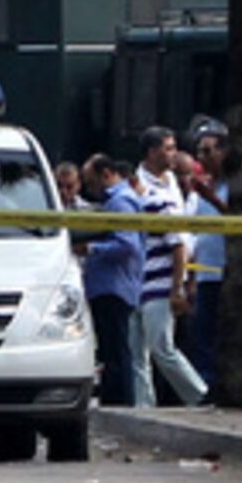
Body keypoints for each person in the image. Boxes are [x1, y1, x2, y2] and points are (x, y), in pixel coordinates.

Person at [130, 128, 208, 408]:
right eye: (168, 148)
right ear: (152, 152)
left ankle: (197, 394)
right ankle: (148, 404)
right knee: (146, 351)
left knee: (159, 348)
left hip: (160, 280)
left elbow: (181, 240)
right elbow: (176, 242)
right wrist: (178, 285)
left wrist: (182, 281)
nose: (173, 153)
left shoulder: (170, 183)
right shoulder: (145, 191)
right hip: (147, 280)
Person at [75, 153, 145, 408]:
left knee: (117, 351)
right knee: (111, 350)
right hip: (107, 286)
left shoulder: (121, 202)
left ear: (106, 174)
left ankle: (120, 403)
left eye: (92, 182)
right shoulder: (115, 201)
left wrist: (91, 248)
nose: (90, 189)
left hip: (114, 287)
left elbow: (128, 244)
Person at [187, 129, 230, 388]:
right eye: (200, 151)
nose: (203, 157)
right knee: (201, 337)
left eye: (209, 150)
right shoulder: (202, 189)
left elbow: (238, 220)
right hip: (205, 274)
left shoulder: (230, 188)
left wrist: (212, 199)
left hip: (226, 273)